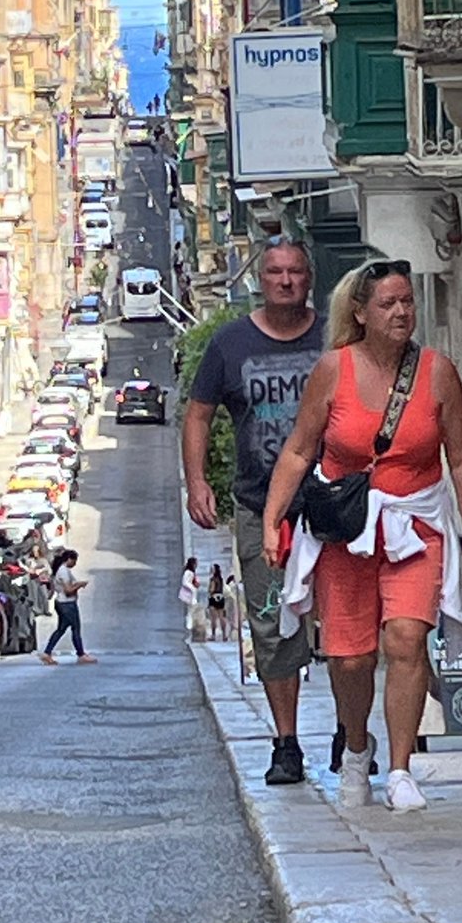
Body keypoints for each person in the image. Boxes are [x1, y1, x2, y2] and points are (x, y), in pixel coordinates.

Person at [263, 259, 462, 812]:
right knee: (351, 659)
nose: (401, 312)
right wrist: (273, 520)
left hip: (417, 526)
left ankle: (402, 768)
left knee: (407, 639)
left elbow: (461, 457)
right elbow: (298, 448)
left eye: (407, 301)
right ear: (359, 313)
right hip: (346, 530)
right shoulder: (333, 371)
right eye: (387, 303)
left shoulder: (437, 373)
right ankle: (358, 749)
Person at [183, 237, 324, 784]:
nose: (285, 281)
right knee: (272, 625)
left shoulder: (332, 337)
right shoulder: (230, 344)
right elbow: (198, 415)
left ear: (308, 279)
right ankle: (286, 742)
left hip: (333, 504)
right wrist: (198, 482)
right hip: (258, 505)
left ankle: (350, 736)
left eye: (295, 272)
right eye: (274, 272)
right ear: (259, 280)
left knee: (341, 623)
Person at [39, 549, 98, 665]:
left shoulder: (60, 570)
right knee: (75, 628)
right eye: (74, 561)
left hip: (62, 603)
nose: (75, 564)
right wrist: (80, 585)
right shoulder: (64, 572)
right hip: (67, 604)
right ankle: (81, 654)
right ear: (69, 559)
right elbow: (68, 590)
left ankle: (47, 653)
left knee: (61, 629)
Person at [207, 564, 228, 641]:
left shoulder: (213, 579)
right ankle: (224, 635)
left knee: (213, 618)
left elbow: (212, 589)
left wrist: (209, 590)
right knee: (221, 617)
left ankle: (213, 635)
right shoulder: (221, 579)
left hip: (214, 597)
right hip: (221, 597)